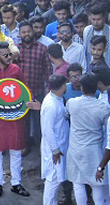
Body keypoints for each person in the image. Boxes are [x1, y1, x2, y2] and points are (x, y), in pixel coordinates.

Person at [0, 41, 30, 198]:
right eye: (6, 55)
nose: (10, 57)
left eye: (10, 54)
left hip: (15, 115)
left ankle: (16, 183)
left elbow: (25, 89)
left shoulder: (16, 70)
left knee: (16, 150)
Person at [67, 73, 110, 205]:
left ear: (82, 88)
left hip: (75, 148)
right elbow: (108, 129)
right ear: (96, 87)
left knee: (78, 183)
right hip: (94, 150)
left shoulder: (72, 103)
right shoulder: (103, 107)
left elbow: (67, 115)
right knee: (97, 184)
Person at [40, 73, 69, 205]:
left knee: (56, 180)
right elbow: (48, 130)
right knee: (53, 180)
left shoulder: (56, 99)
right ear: (63, 86)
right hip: (54, 149)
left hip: (60, 146)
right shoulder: (51, 105)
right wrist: (55, 150)